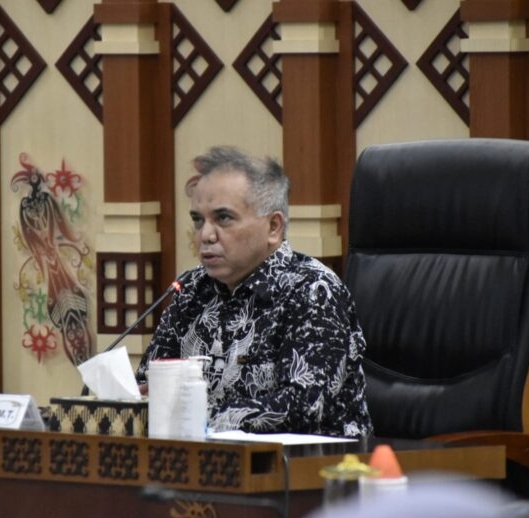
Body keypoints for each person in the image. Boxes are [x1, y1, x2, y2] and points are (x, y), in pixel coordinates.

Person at [136, 146, 372, 437]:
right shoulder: (191, 290)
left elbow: (304, 407)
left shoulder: (312, 290)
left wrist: (195, 416)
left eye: (223, 218)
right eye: (198, 220)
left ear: (273, 226)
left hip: (310, 469)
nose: (205, 235)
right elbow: (149, 383)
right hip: (205, 466)